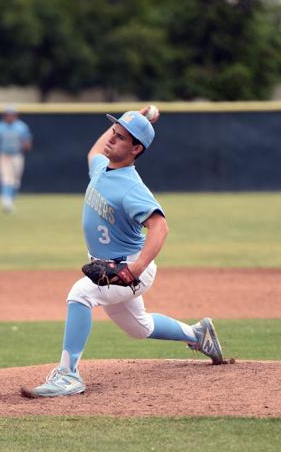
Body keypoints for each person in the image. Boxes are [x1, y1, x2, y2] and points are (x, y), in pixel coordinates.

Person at [21, 106, 224, 398]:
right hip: (109, 267)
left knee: (81, 293)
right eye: (113, 133)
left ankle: (68, 375)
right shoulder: (102, 168)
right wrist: (129, 119)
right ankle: (198, 334)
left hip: (128, 269)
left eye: (120, 137)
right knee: (139, 328)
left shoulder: (132, 188)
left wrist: (134, 271)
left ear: (136, 148)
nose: (111, 140)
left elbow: (160, 228)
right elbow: (94, 152)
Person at [0, 106, 32, 213]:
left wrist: (25, 146)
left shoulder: (21, 127)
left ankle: (10, 200)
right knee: (6, 178)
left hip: (17, 155)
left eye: (12, 114)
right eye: (7, 115)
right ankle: (6, 201)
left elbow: (27, 142)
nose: (10, 117)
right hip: (4, 155)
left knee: (16, 180)